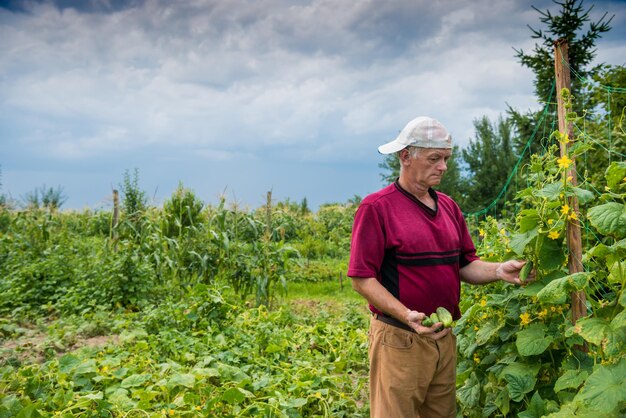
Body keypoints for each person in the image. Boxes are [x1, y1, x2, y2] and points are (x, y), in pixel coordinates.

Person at [347, 116, 532, 418]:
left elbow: (465, 265)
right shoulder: (377, 208)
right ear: (406, 156)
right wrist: (406, 315)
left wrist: (498, 270)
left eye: (445, 158)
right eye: (434, 158)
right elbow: (362, 279)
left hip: (443, 338)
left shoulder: (448, 206)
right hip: (400, 339)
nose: (443, 166)